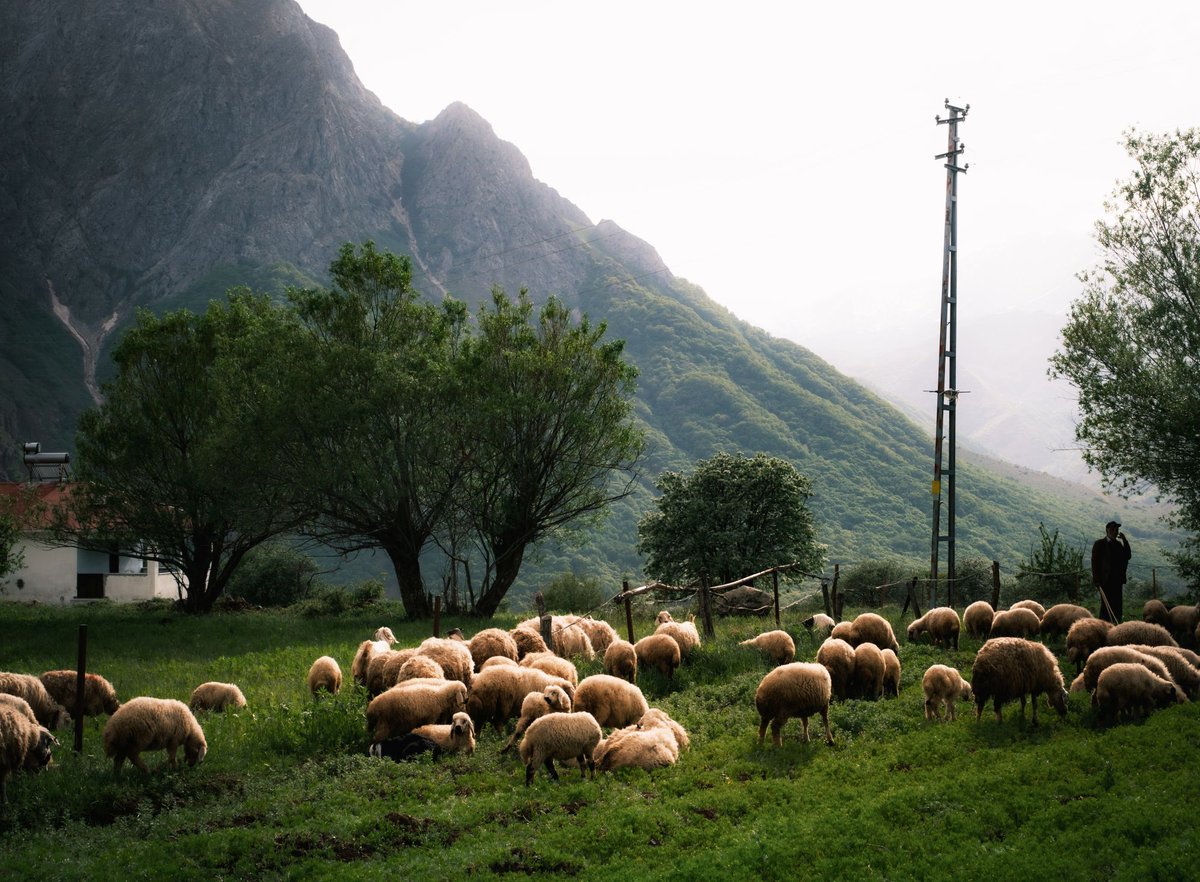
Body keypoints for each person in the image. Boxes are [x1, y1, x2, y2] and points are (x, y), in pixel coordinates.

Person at [1091, 520, 1131, 623]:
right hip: (1105, 581)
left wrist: (1125, 541)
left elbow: (1127, 556)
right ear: (1107, 530)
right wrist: (1096, 580)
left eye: (1116, 530)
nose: (1115, 532)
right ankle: (1103, 625)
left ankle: (1116, 624)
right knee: (1106, 605)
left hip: (1117, 580)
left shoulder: (1118, 544)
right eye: (1112, 530)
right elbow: (1094, 563)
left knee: (1117, 604)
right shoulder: (1099, 544)